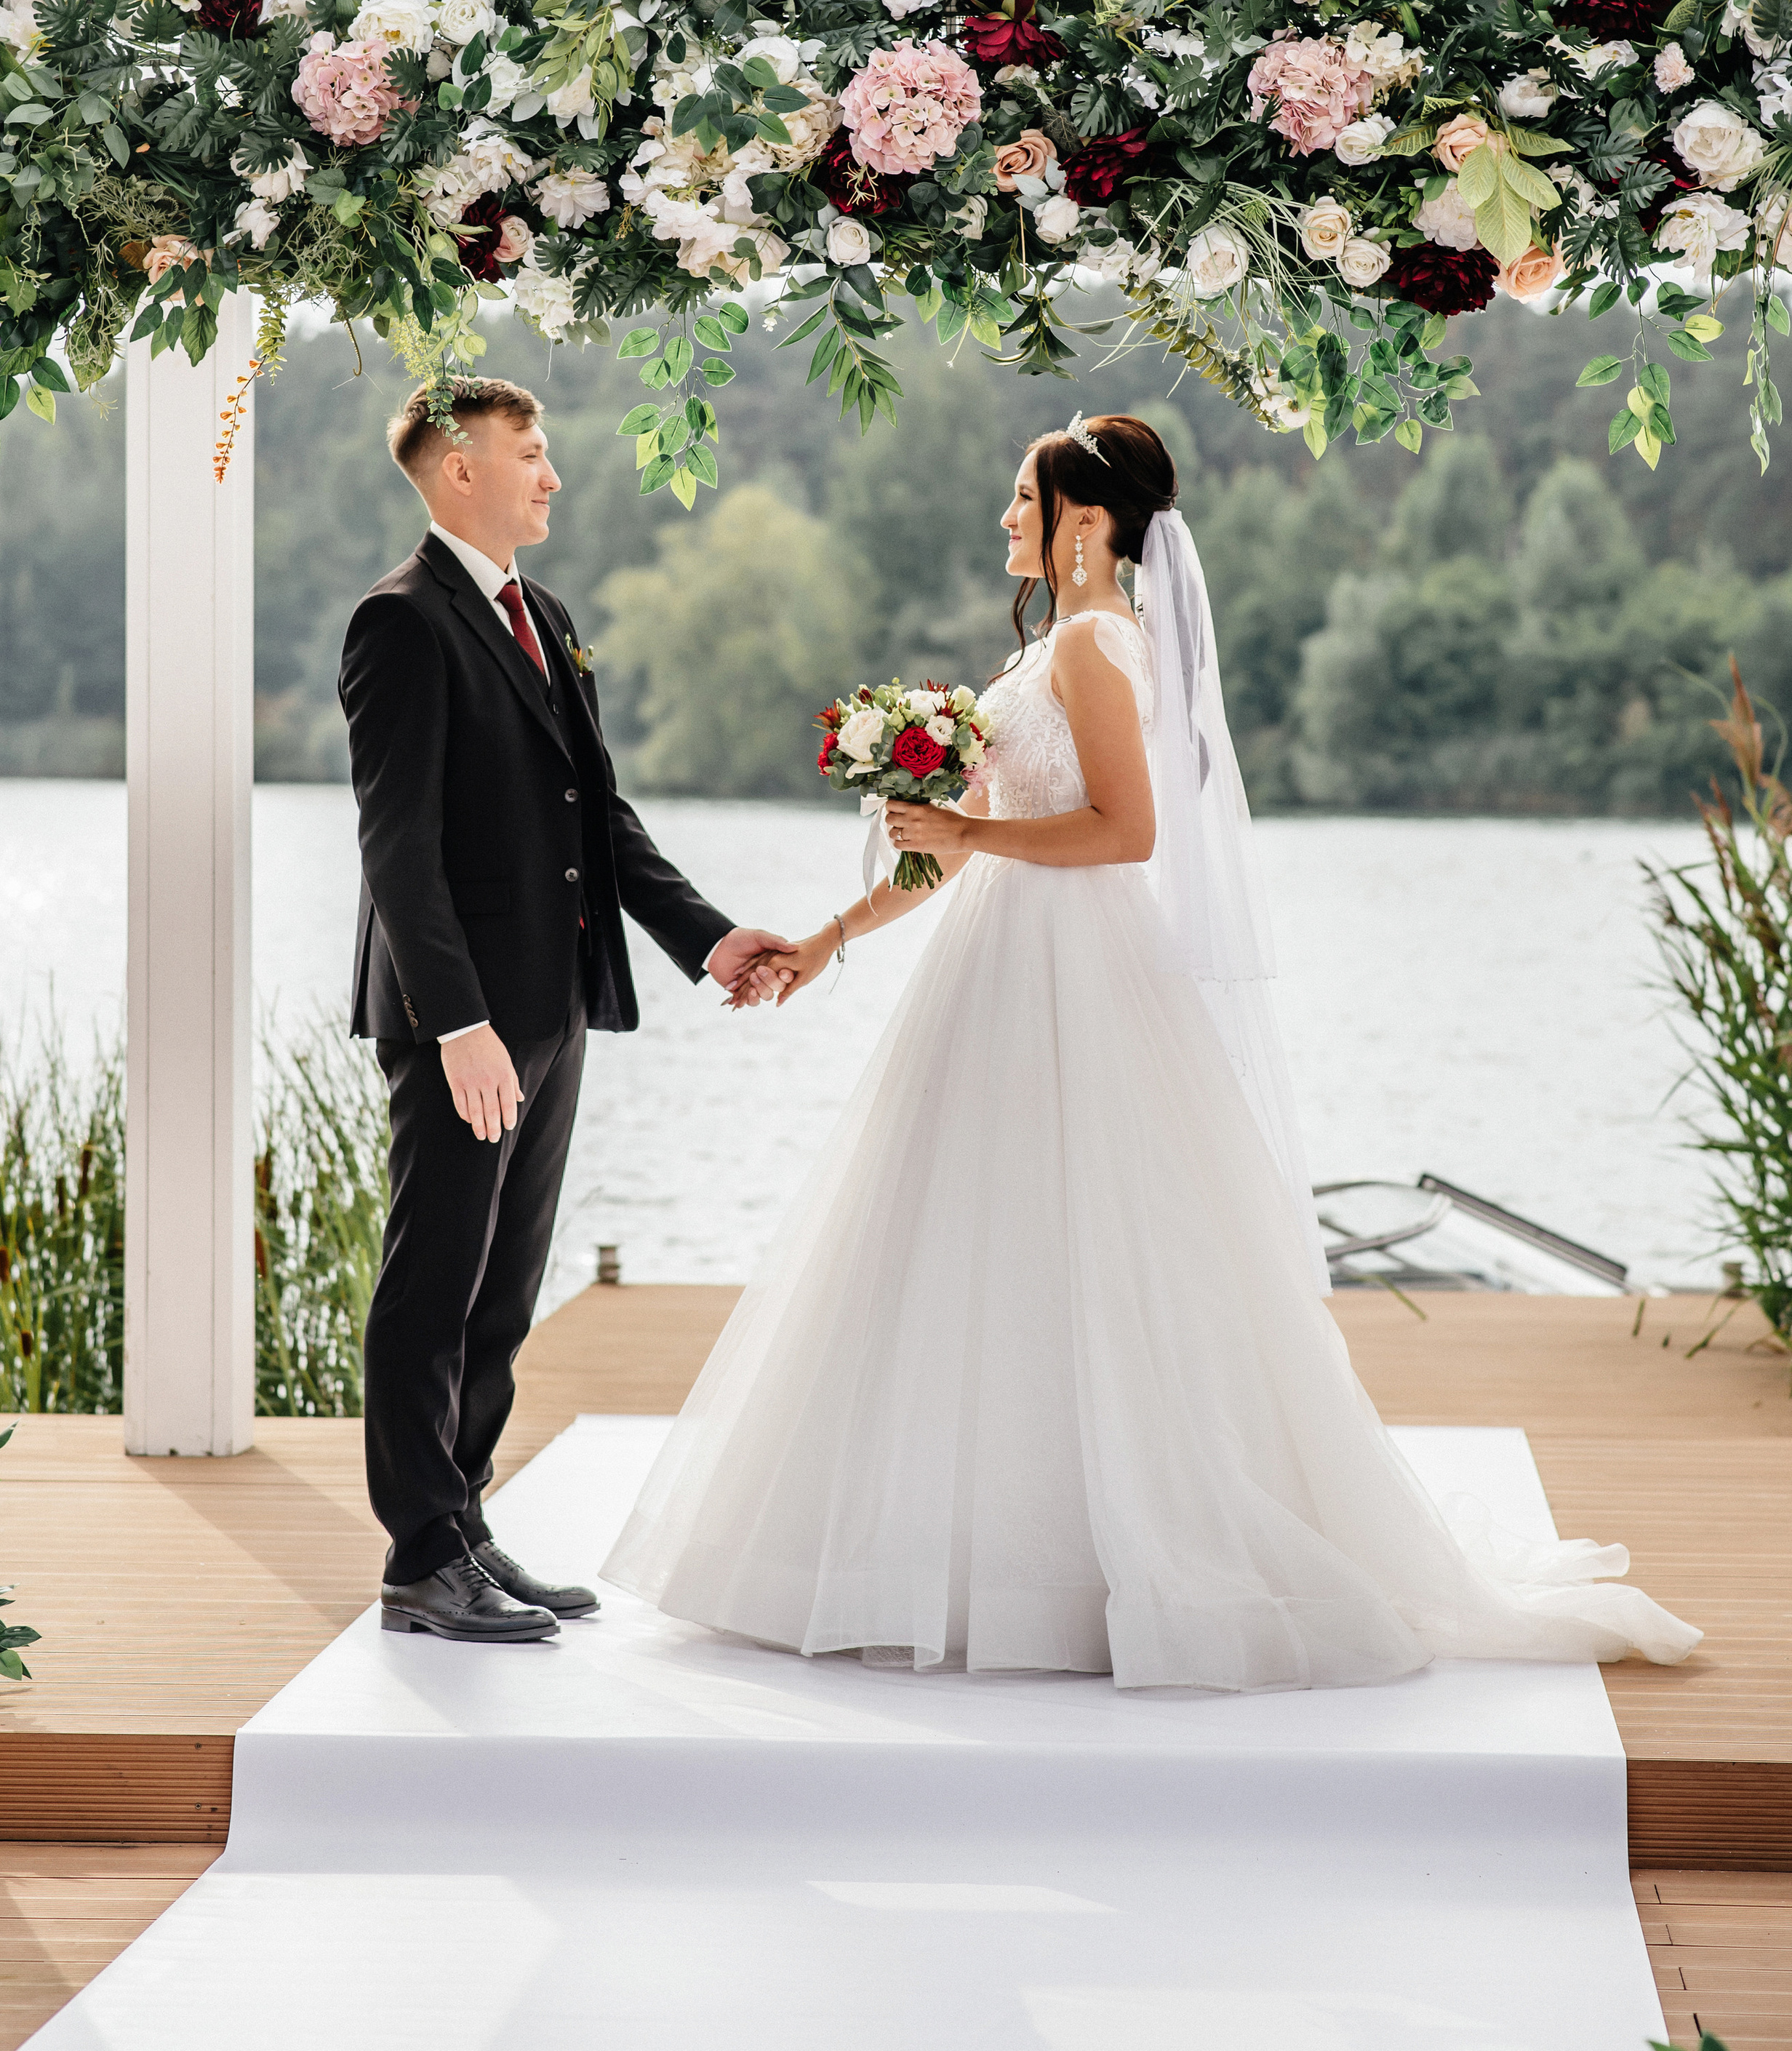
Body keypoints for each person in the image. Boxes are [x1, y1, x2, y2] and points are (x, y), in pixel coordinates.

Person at [603, 412, 1700, 1689]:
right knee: (974, 1247)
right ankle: (965, 1548)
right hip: (1001, 969)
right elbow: (975, 835)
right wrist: (835, 931)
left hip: (1081, 977)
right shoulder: (1060, 646)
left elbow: (1123, 834)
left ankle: (1093, 1563)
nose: (1005, 515)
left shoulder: (1091, 643)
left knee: (1098, 1251)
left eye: (1023, 496)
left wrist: (973, 839)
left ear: (1083, 521)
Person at [340, 377, 792, 1647]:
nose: (551, 476)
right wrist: (457, 1021)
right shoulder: (399, 622)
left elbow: (602, 818)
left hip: (552, 1004)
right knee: (432, 1280)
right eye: (531, 454)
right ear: (455, 469)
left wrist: (710, 940)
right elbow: (398, 849)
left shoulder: (542, 613)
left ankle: (466, 1524)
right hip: (465, 1020)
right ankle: (420, 1554)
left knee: (503, 1287)